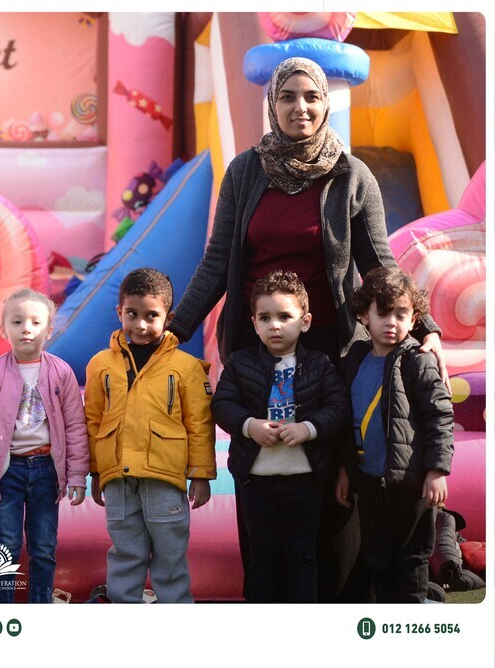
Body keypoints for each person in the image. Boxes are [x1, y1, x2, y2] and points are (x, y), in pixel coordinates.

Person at [166, 57, 445, 602]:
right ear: (272, 104)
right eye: (288, 96)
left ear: (325, 103)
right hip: (257, 350)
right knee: (262, 469)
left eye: (312, 96)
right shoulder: (245, 172)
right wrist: (174, 330)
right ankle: (268, 603)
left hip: (331, 350)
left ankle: (337, 607)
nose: (301, 107)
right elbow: (217, 261)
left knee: (330, 476)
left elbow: (378, 262)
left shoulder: (352, 175)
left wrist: (425, 324)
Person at [211, 270, 349, 602]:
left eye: (284, 316)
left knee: (303, 556)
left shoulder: (320, 365)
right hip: (256, 481)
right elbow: (222, 404)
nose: (275, 325)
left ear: (305, 321)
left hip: (305, 480)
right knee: (262, 556)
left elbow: (338, 406)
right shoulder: (239, 363)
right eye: (265, 318)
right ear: (254, 323)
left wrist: (308, 429)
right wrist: (250, 426)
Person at [84, 268, 216, 603]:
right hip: (118, 478)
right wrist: (96, 471)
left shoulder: (185, 367)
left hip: (164, 477)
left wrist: (201, 474)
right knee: (126, 550)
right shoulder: (101, 364)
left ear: (168, 318)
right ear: (119, 312)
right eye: (132, 314)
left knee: (170, 553)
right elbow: (93, 420)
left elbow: (199, 424)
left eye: (151, 316)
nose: (140, 325)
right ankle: (124, 608)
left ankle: (175, 610)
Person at [335, 267, 453, 603]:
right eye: (383, 313)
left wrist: (436, 471)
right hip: (369, 483)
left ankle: (410, 626)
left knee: (412, 561)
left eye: (401, 314)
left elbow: (439, 417)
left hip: (411, 485)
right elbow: (344, 423)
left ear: (414, 319)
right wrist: (345, 470)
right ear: (363, 316)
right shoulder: (353, 361)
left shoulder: (417, 361)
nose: (392, 322)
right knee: (378, 559)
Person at [0, 289, 89, 603]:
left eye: (36, 322)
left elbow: (76, 427)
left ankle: (40, 603)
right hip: (8, 470)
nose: (26, 329)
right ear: (3, 329)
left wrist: (77, 475)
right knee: (5, 544)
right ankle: (2, 607)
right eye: (17, 321)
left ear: (49, 330)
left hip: (46, 470)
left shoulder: (61, 372)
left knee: (44, 547)